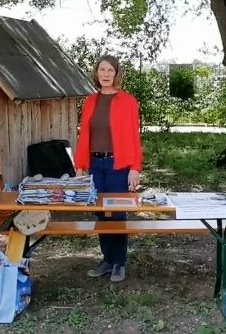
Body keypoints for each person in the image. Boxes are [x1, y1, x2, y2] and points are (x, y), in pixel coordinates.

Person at [74, 54, 143, 283]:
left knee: (117, 213)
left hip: (118, 165)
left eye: (109, 71)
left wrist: (135, 168)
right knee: (102, 214)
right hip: (95, 165)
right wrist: (80, 166)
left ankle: (119, 263)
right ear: (96, 73)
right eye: (101, 70)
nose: (105, 74)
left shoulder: (128, 101)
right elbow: (84, 135)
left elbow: (133, 136)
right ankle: (106, 259)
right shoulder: (90, 101)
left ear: (116, 74)